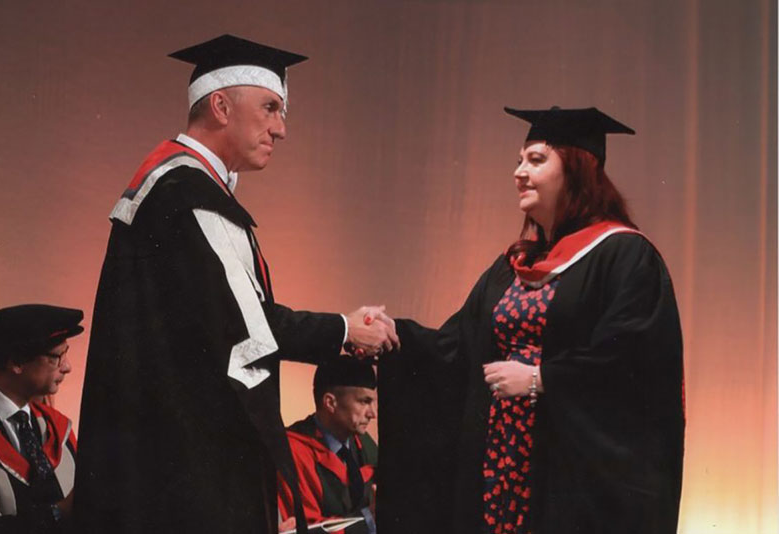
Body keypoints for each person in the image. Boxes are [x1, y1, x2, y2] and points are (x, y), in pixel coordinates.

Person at [72, 34, 398, 534]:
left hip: (160, 442)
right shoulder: (191, 195)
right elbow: (247, 327)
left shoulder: (169, 185)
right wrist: (344, 330)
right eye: (270, 108)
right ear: (221, 106)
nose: (281, 129)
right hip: (193, 457)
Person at [378, 107, 684, 534]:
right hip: (498, 468)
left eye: (536, 160)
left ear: (578, 170)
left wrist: (542, 379)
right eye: (520, 160)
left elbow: (633, 364)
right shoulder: (515, 264)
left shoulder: (623, 256)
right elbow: (456, 346)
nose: (519, 172)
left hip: (568, 477)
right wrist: (394, 335)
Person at [0, 304, 82, 534]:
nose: (67, 367)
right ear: (16, 362)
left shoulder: (58, 428)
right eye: (56, 357)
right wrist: (58, 513)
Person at [278, 359, 378, 534]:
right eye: (364, 402)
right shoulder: (293, 451)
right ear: (330, 403)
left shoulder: (362, 442)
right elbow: (306, 528)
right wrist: (368, 519)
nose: (373, 414)